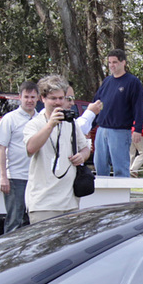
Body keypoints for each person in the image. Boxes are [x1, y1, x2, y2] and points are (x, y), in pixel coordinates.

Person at [22, 74, 92, 223]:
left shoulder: (70, 123)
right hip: (43, 204)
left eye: (61, 98)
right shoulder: (34, 124)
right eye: (53, 99)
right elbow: (30, 148)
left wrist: (82, 156)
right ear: (43, 98)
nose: (58, 102)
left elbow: (85, 148)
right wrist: (50, 125)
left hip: (70, 202)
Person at [90, 48, 143, 177]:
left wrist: (137, 129)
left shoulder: (132, 82)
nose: (111, 65)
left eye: (114, 62)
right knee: (100, 166)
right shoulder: (107, 81)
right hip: (102, 129)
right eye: (109, 62)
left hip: (120, 130)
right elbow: (96, 103)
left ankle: (122, 196)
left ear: (123, 62)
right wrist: (90, 125)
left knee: (120, 167)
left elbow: (138, 107)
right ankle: (103, 196)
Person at [0, 81, 39, 233]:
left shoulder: (41, 120)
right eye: (26, 96)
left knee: (30, 222)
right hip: (16, 178)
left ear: (38, 98)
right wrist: (3, 177)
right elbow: (1, 148)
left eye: (33, 97)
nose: (30, 100)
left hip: (36, 178)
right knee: (14, 221)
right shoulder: (9, 119)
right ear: (19, 97)